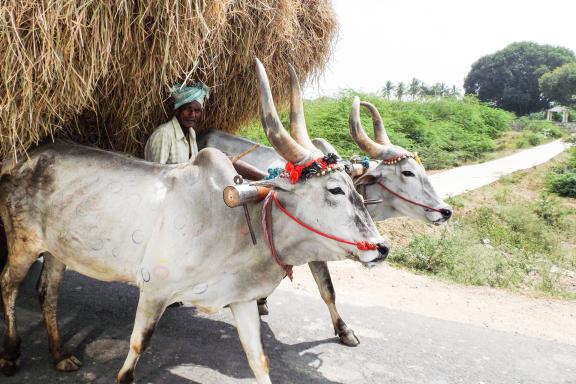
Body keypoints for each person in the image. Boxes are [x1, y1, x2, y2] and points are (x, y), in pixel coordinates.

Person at [145, 82, 210, 164]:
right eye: (188, 109)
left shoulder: (191, 133)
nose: (192, 115)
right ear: (177, 111)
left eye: (197, 111)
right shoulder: (164, 134)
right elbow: (156, 172)